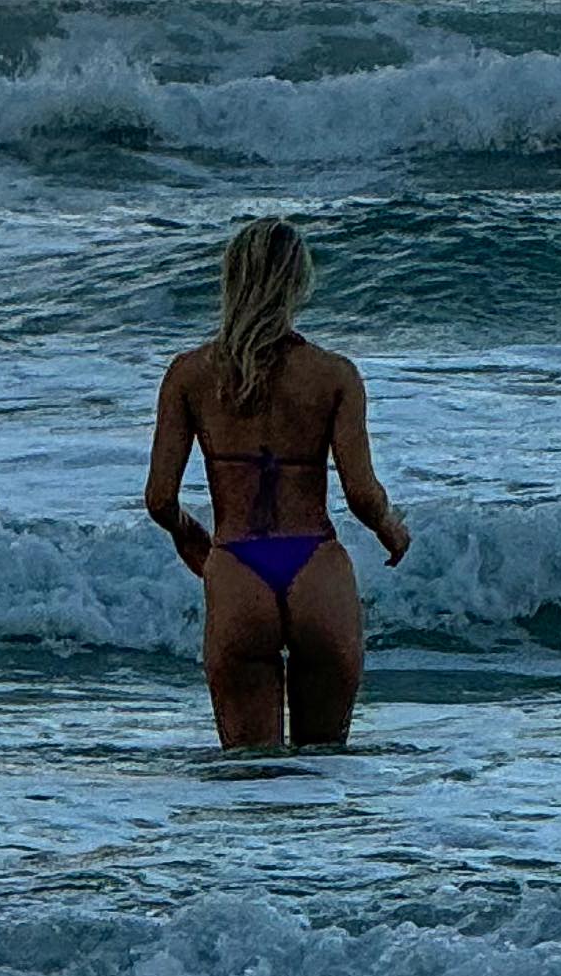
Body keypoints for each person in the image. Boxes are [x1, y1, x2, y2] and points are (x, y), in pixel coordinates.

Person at [144, 216, 410, 750]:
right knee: (323, 770)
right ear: (297, 284)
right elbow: (360, 492)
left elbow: (160, 498)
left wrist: (188, 535)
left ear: (231, 280)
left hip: (238, 565)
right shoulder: (333, 375)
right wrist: (390, 529)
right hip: (316, 565)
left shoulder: (190, 374)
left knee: (250, 778)